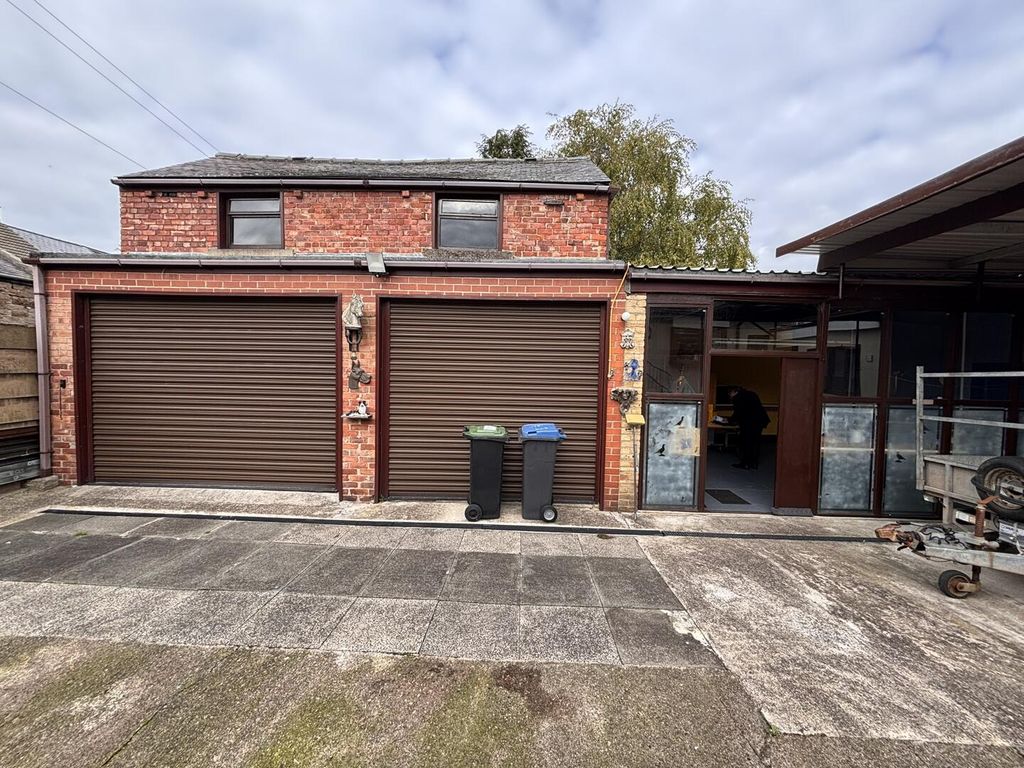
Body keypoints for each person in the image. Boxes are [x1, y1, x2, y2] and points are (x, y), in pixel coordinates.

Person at [727, 386, 770, 470]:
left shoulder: (738, 398)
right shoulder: (751, 394)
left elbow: (738, 412)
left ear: (734, 392)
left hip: (749, 423)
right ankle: (754, 463)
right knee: (756, 442)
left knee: (746, 442)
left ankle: (745, 463)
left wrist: (729, 421)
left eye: (730, 393)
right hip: (760, 421)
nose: (729, 396)